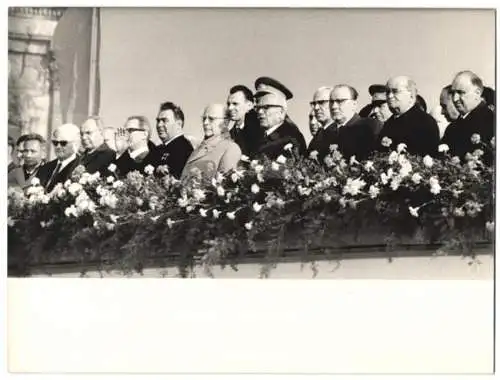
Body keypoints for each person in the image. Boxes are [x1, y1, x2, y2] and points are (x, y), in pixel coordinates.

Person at [441, 70, 495, 165]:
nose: (455, 98)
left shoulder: (491, 121)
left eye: (461, 92)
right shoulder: (452, 127)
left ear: (477, 93)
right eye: (453, 93)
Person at [377, 76, 440, 156]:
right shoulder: (390, 122)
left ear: (411, 96)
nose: (390, 96)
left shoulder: (424, 122)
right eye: (388, 92)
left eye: (395, 91)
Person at [181, 104, 241, 180]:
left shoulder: (230, 148)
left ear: (225, 122)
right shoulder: (197, 149)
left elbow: (225, 187)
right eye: (204, 119)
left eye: (211, 119)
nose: (205, 123)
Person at [253, 79, 306, 160]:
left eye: (266, 107)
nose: (260, 112)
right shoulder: (259, 135)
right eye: (258, 108)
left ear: (281, 111)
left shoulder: (291, 138)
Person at [326, 84, 378, 161]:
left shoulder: (370, 127)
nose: (334, 106)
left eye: (340, 101)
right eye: (331, 102)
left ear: (354, 104)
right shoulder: (327, 133)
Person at [151, 101, 193, 179]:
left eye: (164, 120)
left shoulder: (183, 149)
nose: (159, 125)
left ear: (178, 124)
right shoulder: (159, 149)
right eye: (158, 121)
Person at [37, 124, 81, 192]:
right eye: (55, 143)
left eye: (63, 143)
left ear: (75, 144)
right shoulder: (45, 168)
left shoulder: (80, 167)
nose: (58, 146)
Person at [226, 85, 262, 157]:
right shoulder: (229, 135)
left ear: (249, 106)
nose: (230, 108)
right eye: (228, 104)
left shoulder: (261, 130)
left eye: (235, 104)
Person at [307, 86, 337, 161]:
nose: (316, 108)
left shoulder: (341, 132)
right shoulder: (317, 136)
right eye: (314, 103)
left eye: (321, 102)